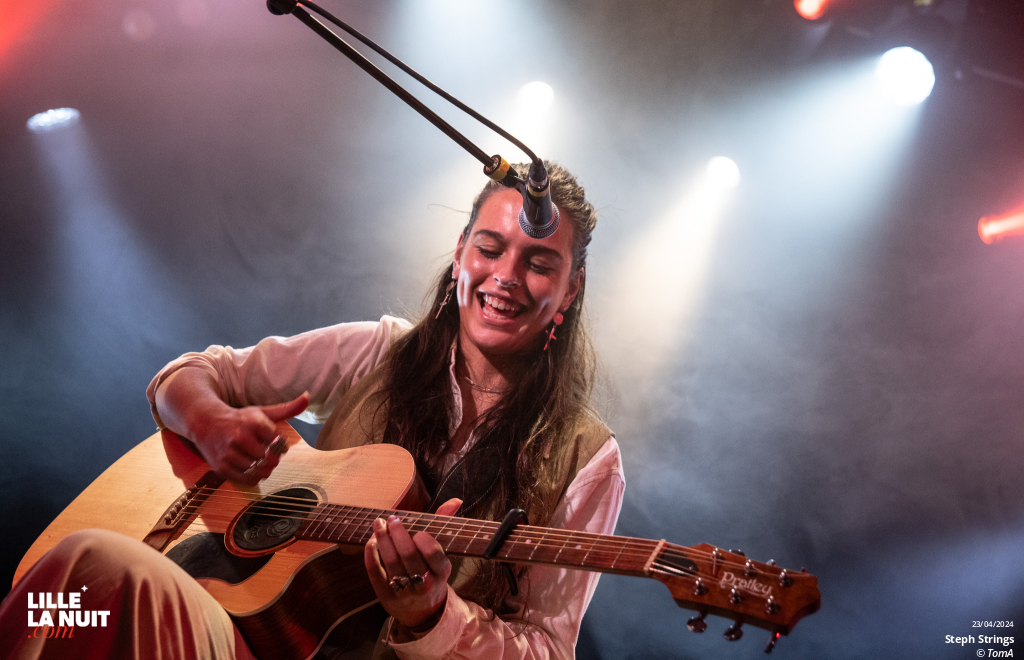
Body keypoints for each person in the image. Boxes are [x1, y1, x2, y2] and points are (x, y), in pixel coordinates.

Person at [0, 162, 624, 660]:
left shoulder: (587, 456)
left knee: (95, 568)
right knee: (55, 603)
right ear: (461, 253)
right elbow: (189, 376)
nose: (507, 275)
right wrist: (210, 423)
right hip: (220, 627)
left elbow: (548, 646)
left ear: (570, 290)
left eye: (540, 264)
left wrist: (434, 617)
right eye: (490, 248)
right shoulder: (375, 351)